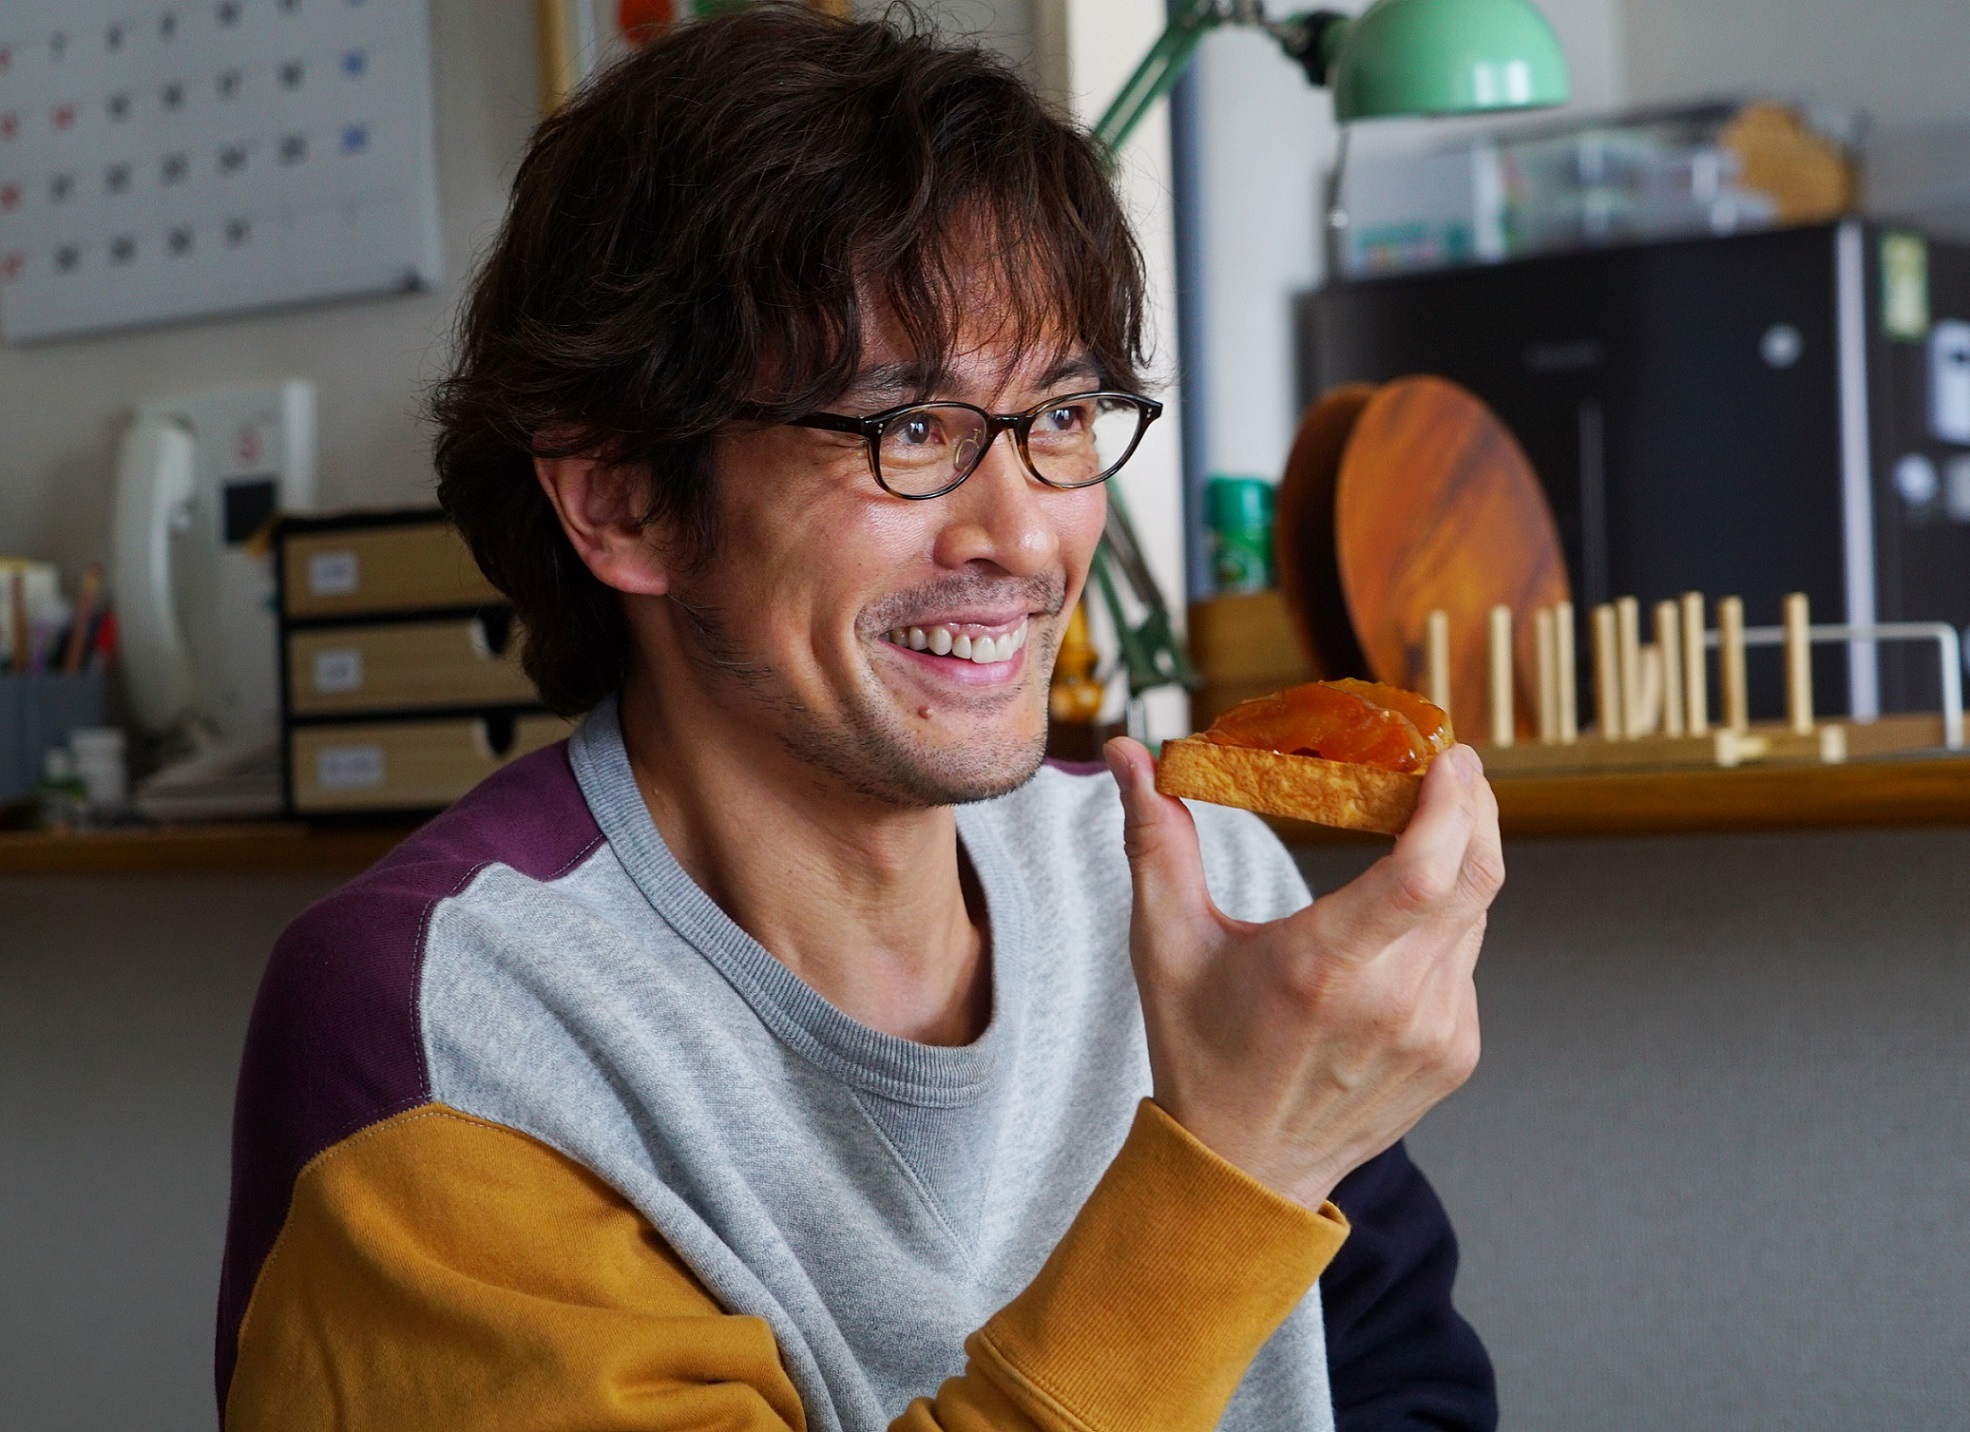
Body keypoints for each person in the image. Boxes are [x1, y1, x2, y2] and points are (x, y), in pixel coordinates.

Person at [215, 8, 1506, 1430]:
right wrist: (1232, 1171)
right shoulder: (446, 1033)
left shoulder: (1189, 888)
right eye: (910, 430)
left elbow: (1402, 1391)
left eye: (1061, 415)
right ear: (623, 501)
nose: (1023, 533)